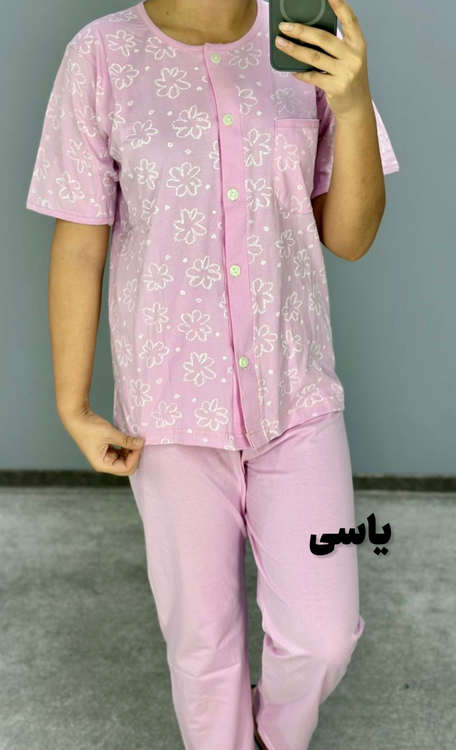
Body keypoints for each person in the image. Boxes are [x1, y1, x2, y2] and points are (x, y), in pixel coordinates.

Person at [26, 0, 400, 747]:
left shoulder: (305, 42)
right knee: (203, 647)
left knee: (323, 636)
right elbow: (79, 243)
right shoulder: (100, 55)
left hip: (296, 396)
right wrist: (74, 404)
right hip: (169, 411)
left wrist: (354, 105)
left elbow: (351, 238)